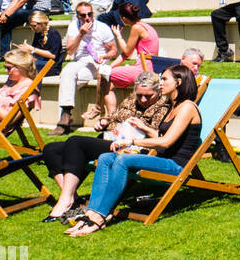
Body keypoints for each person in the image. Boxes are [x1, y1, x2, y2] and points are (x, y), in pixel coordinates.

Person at [64, 65, 204, 236]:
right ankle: (92, 212)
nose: (161, 83)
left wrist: (131, 140)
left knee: (123, 160)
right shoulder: (172, 106)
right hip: (161, 159)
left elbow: (166, 142)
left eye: (165, 79)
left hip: (176, 165)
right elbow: (159, 135)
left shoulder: (187, 107)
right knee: (106, 157)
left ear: (179, 82)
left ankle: (100, 216)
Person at [41, 69, 169, 222]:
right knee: (51, 149)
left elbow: (161, 137)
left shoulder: (163, 106)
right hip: (109, 139)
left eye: (148, 96)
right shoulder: (132, 99)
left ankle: (65, 201)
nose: (142, 99)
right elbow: (115, 117)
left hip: (129, 148)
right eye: (139, 94)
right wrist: (105, 122)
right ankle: (71, 198)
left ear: (157, 91)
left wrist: (143, 127)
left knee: (75, 142)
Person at [54, 1, 117, 134]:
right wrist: (80, 34)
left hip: (98, 62)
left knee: (67, 80)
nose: (87, 18)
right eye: (83, 15)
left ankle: (64, 119)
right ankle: (66, 114)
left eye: (90, 14)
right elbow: (70, 51)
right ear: (78, 16)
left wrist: (104, 57)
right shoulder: (73, 27)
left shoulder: (102, 27)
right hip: (81, 62)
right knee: (67, 72)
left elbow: (113, 51)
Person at [97, 0, 160, 119]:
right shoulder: (146, 26)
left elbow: (126, 51)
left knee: (103, 76)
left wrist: (118, 36)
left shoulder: (136, 28)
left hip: (143, 69)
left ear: (124, 18)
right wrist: (111, 67)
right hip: (149, 67)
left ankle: (107, 114)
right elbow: (126, 55)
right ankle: (110, 115)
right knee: (107, 80)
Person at [17, 10, 63, 76]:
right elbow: (35, 55)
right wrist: (27, 51)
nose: (32, 29)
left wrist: (32, 49)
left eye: (34, 26)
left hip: (52, 66)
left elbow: (53, 55)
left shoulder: (53, 33)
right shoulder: (38, 34)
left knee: (26, 66)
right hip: (40, 63)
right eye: (31, 26)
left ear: (42, 23)